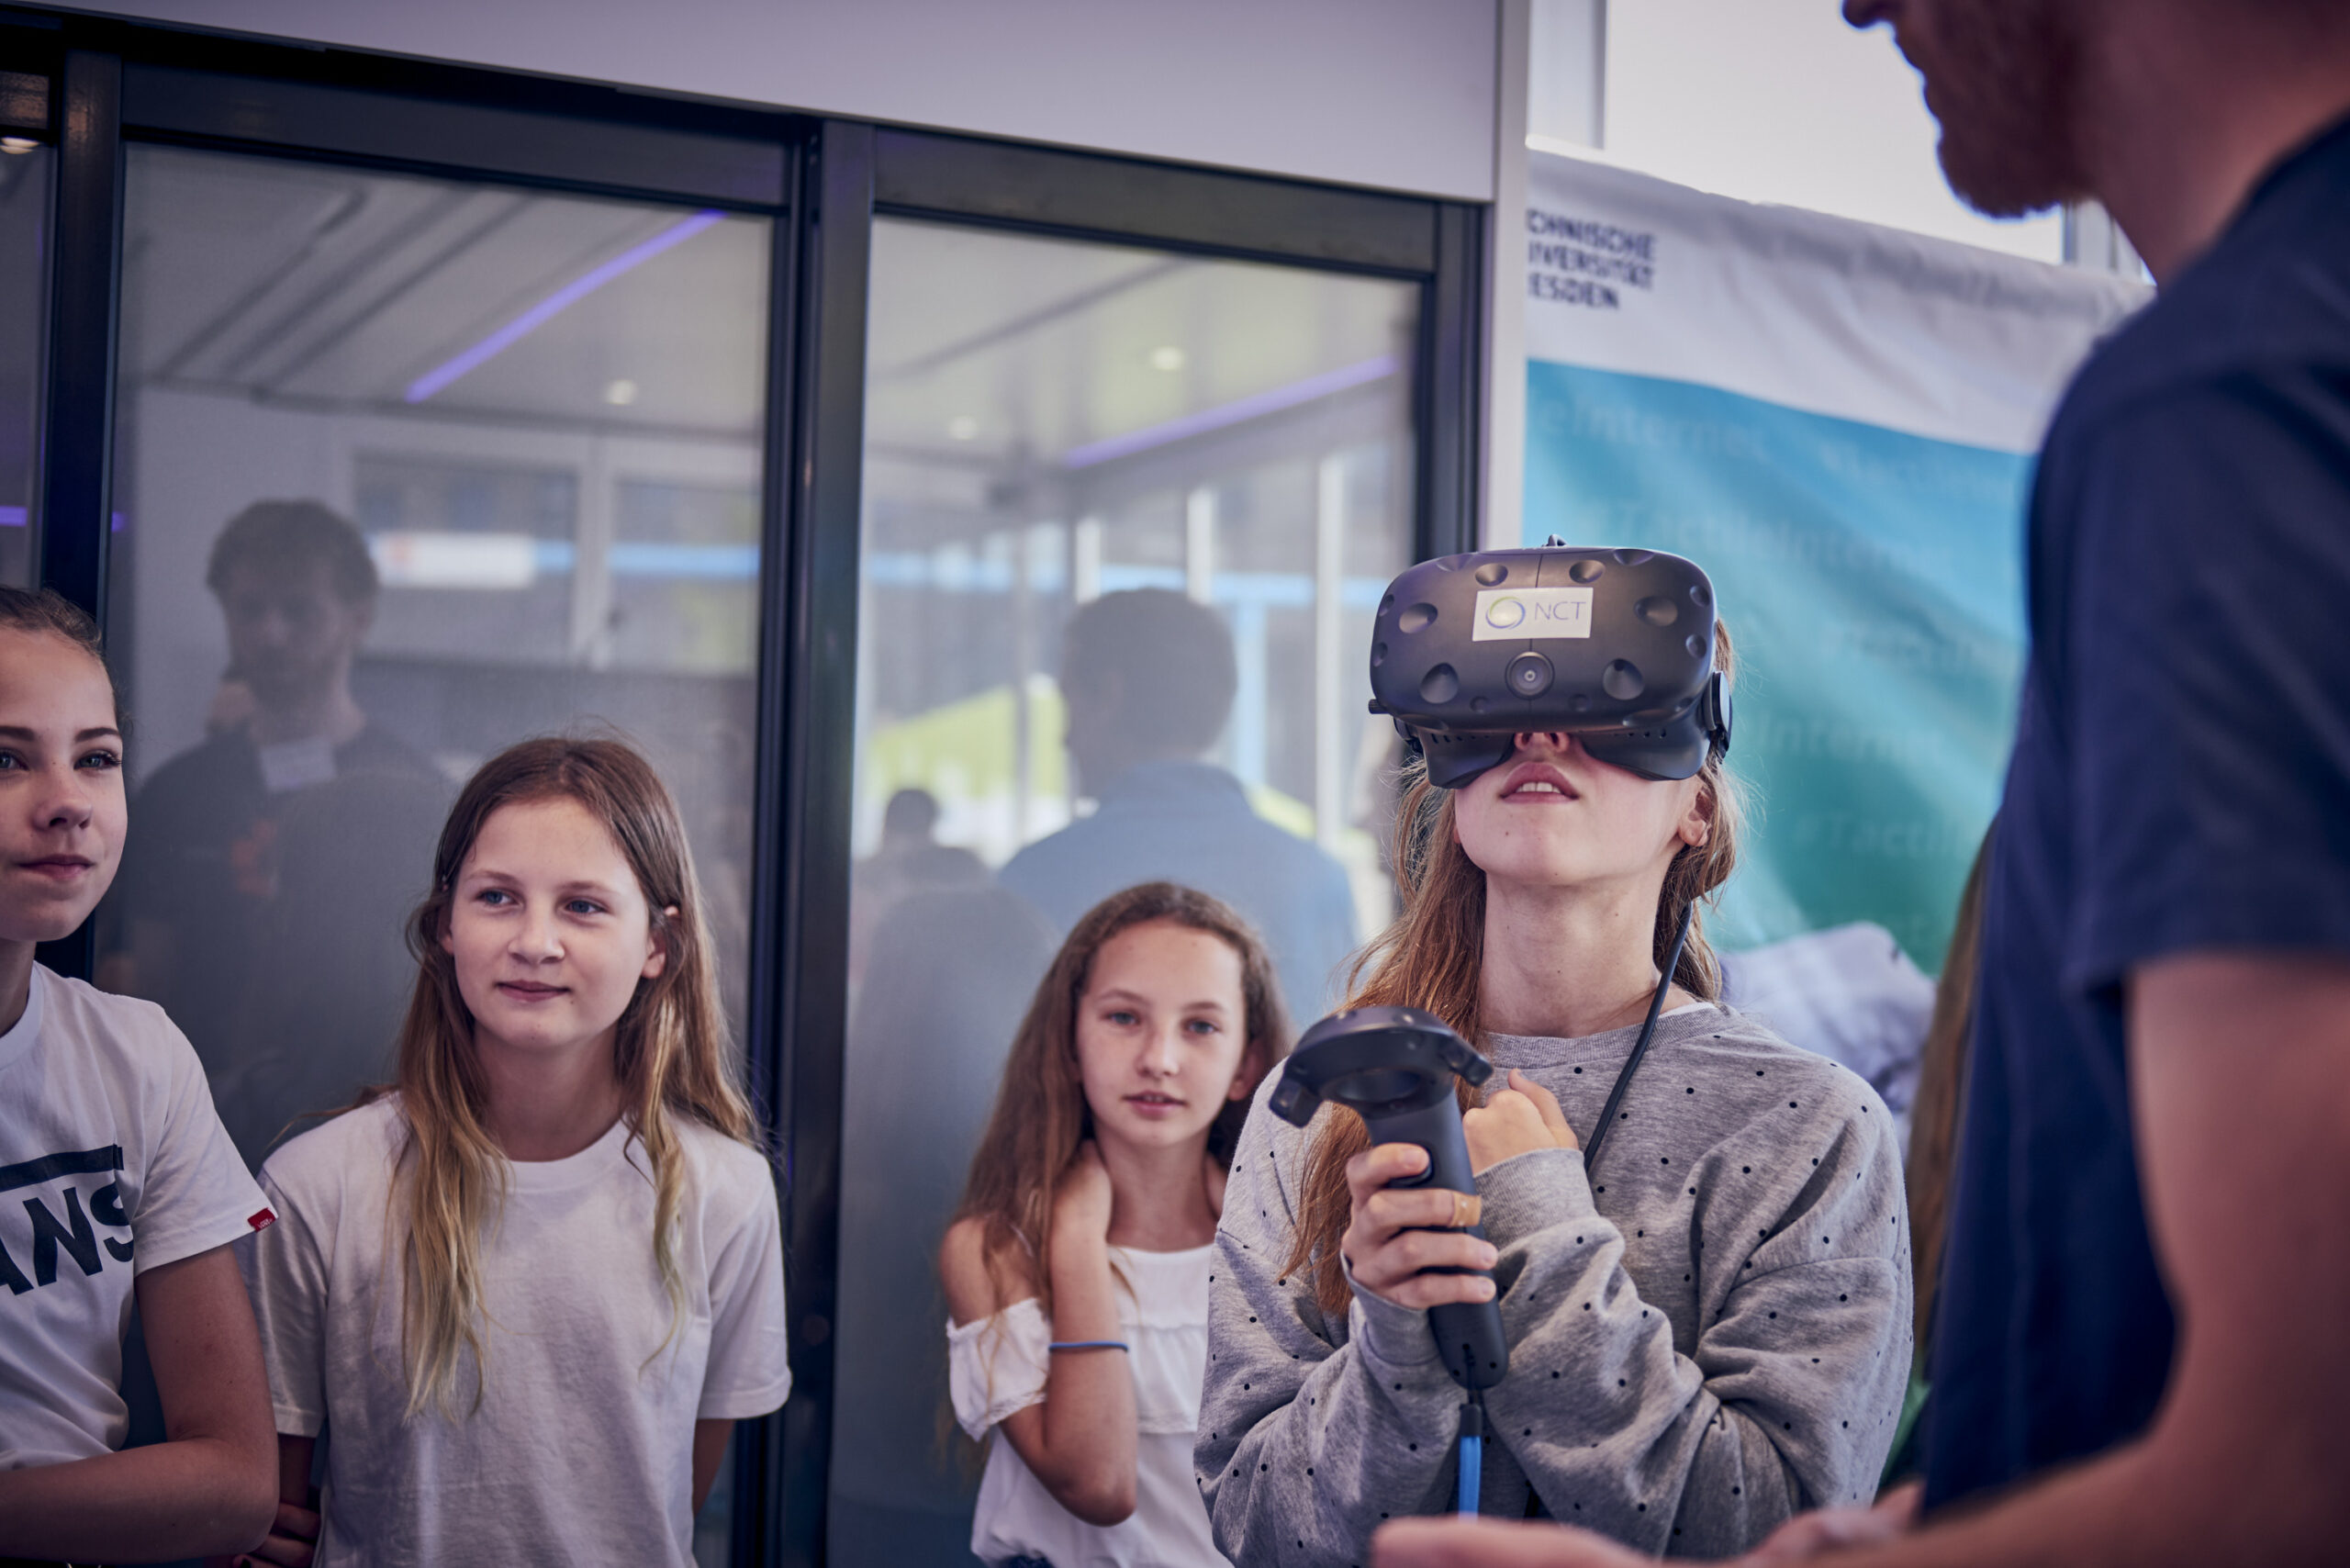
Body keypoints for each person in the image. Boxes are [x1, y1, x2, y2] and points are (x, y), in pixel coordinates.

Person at [1372, 3, 2350, 1563]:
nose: (1859, 8)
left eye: (1609, 725)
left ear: (1700, 801)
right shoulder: (1349, 1096)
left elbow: (2299, 1456)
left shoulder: (2229, 401)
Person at [1199, 621, 1912, 1565]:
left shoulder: (1812, 1129)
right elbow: (1253, 1527)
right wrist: (1393, 1344)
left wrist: (1541, 1237)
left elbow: (1766, 1535)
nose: (1540, 737)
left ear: (1694, 805)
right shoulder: (1339, 1095)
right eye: (1500, 706)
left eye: (1607, 705)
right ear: (1452, 787)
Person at [233, 737, 789, 1566]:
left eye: (584, 906)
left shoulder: (728, 1192)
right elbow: (276, 1515)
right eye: (498, 897)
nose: (535, 941)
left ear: (657, 945)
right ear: (445, 923)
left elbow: (662, 1495)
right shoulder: (318, 1187)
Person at [0, 586, 276, 1562]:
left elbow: (238, 1481)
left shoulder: (138, 1055)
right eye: (6, 758)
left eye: (97, 757)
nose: (68, 799)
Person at [939, 881, 1290, 1568]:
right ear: (1069, 1042)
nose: (1159, 1058)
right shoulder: (993, 1252)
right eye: (1124, 1018)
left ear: (1247, 1064)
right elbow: (1098, 1484)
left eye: (1201, 1026)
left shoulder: (1285, 1245)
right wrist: (1074, 1243)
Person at [106, 498, 446, 1162]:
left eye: (299, 610)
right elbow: (149, 984)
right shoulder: (176, 794)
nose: (271, 633)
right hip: (193, 1129)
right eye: (249, 610)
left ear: (357, 618)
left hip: (380, 1133)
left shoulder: (419, 797)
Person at [999, 588, 1360, 1020]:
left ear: (1108, 697)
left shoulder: (1030, 881)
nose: (1064, 740)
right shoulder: (1317, 879)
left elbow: (1007, 1071)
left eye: (1069, 703)